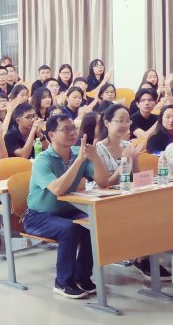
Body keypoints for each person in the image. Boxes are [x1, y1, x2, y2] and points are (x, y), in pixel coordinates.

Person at [24, 114, 109, 299]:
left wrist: (95, 158)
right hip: (38, 216)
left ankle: (83, 277)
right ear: (51, 135)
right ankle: (62, 282)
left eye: (73, 128)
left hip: (68, 211)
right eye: (65, 129)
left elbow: (103, 183)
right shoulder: (43, 160)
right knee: (69, 228)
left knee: (91, 224)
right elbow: (57, 189)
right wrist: (79, 161)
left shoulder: (79, 152)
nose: (72, 133)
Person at [93, 106, 143, 188]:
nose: (124, 125)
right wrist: (125, 160)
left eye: (127, 121)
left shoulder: (128, 145)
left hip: (127, 192)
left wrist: (134, 159)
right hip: (106, 194)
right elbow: (105, 184)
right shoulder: (99, 149)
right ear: (107, 123)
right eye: (120, 121)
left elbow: (137, 179)